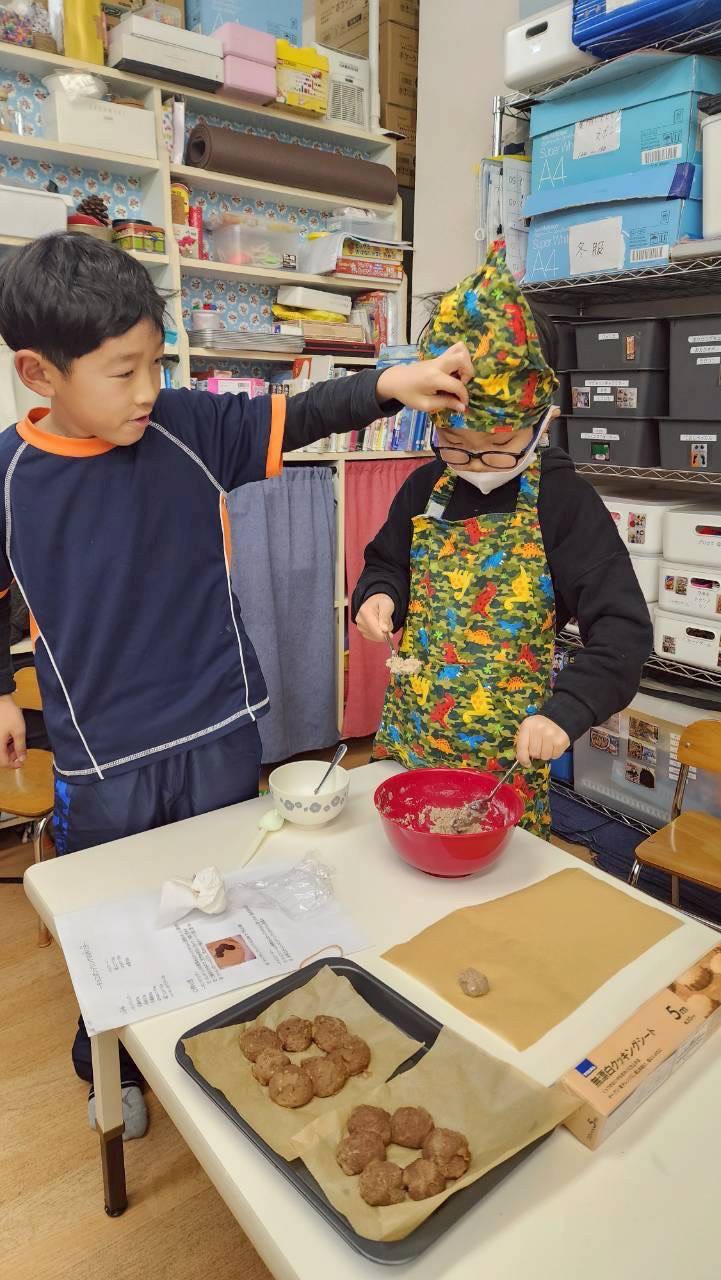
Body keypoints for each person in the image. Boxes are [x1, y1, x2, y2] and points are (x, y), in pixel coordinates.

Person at [0, 233, 474, 1138]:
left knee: (232, 894)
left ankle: (232, 1029)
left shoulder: (183, 426)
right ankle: (107, 1059)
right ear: (38, 373)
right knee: (114, 922)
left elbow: (302, 411)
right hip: (107, 755)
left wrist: (390, 384)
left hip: (220, 724)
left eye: (155, 362)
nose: (147, 389)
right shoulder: (10, 477)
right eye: (122, 371)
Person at [353, 240, 652, 836]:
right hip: (414, 735)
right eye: (454, 445)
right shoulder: (426, 487)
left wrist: (567, 712)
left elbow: (622, 630)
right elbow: (388, 562)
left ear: (543, 421)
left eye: (495, 448)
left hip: (506, 758)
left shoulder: (563, 503)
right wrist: (379, 595)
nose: (473, 464)